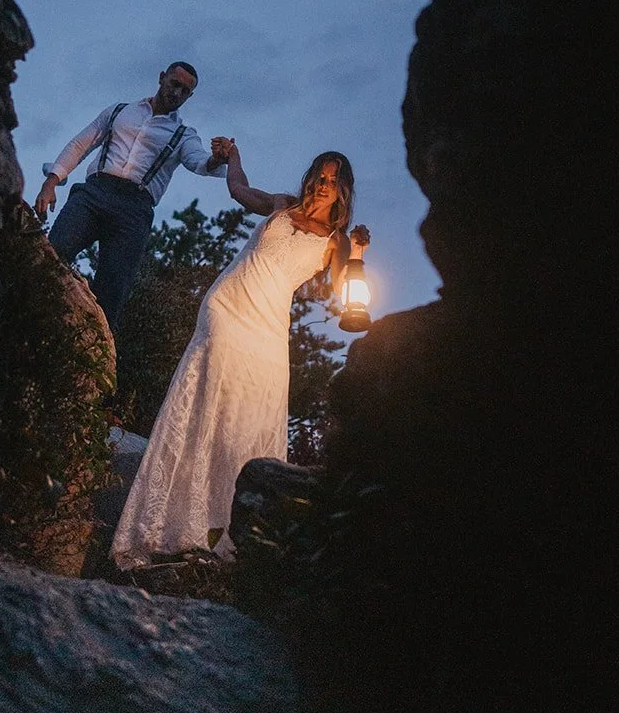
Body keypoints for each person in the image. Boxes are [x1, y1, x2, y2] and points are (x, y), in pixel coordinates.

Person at [110, 145, 370, 569]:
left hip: (268, 331)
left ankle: (230, 540)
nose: (323, 186)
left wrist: (357, 253)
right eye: (319, 177)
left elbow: (341, 292)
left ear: (343, 190)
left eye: (332, 181)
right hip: (227, 309)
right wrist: (233, 156)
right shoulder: (281, 206)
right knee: (205, 408)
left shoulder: (335, 242)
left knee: (246, 418)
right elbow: (238, 189)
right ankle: (165, 531)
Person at [33, 61, 229, 334]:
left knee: (112, 292)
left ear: (189, 96)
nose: (177, 93)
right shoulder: (119, 111)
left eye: (185, 91)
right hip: (94, 192)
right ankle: (29, 319)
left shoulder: (183, 134)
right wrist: (51, 182)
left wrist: (217, 159)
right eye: (175, 84)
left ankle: (94, 357)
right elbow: (82, 143)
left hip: (134, 209)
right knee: (50, 254)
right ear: (162, 78)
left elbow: (199, 162)